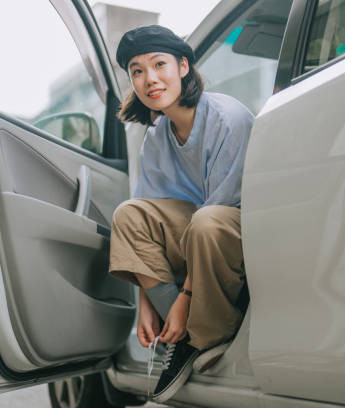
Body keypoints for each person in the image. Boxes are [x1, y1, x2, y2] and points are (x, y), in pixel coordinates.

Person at [108, 25, 253, 403]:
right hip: (194, 239)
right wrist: (146, 301)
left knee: (207, 222)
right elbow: (145, 222)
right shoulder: (156, 138)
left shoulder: (228, 118)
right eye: (137, 71)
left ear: (183, 66)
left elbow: (224, 214)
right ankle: (185, 337)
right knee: (128, 214)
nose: (149, 79)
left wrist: (183, 298)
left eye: (159, 65)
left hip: (237, 235)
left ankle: (204, 333)